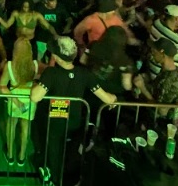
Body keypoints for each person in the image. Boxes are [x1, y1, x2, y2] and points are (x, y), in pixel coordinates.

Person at [30, 37, 117, 186]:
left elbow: (35, 97)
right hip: (74, 123)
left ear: (57, 57)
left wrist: (35, 84)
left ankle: (53, 179)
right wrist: (113, 97)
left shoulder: (51, 73)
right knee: (70, 155)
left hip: (54, 123)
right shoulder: (84, 74)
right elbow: (106, 98)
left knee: (53, 154)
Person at [0, 37, 38, 166]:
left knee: (11, 125)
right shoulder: (35, 65)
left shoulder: (9, 66)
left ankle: (10, 155)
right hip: (30, 99)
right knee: (25, 127)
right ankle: (21, 157)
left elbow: (2, 87)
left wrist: (15, 100)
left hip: (14, 98)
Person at [133, 38, 178, 126]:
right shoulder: (176, 71)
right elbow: (160, 90)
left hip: (159, 122)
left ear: (162, 53)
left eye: (154, 50)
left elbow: (162, 111)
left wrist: (142, 88)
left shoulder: (170, 79)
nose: (152, 52)